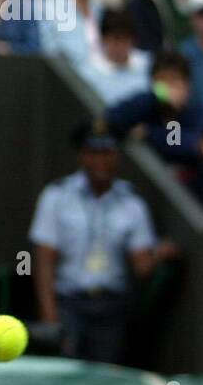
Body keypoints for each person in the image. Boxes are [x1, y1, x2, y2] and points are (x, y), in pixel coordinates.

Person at [29, 119, 174, 364]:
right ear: (82, 156)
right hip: (69, 302)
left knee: (106, 375)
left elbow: (141, 267)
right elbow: (44, 262)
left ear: (116, 156)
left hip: (111, 306)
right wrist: (50, 317)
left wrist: (160, 254)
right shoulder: (57, 196)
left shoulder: (132, 203)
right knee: (65, 373)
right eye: (94, 153)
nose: (101, 161)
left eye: (107, 153)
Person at [105, 51, 203, 167]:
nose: (169, 87)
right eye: (162, 80)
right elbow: (113, 118)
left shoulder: (196, 113)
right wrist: (156, 96)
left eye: (175, 80)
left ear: (187, 85)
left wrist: (148, 132)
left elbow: (187, 145)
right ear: (152, 83)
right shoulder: (145, 102)